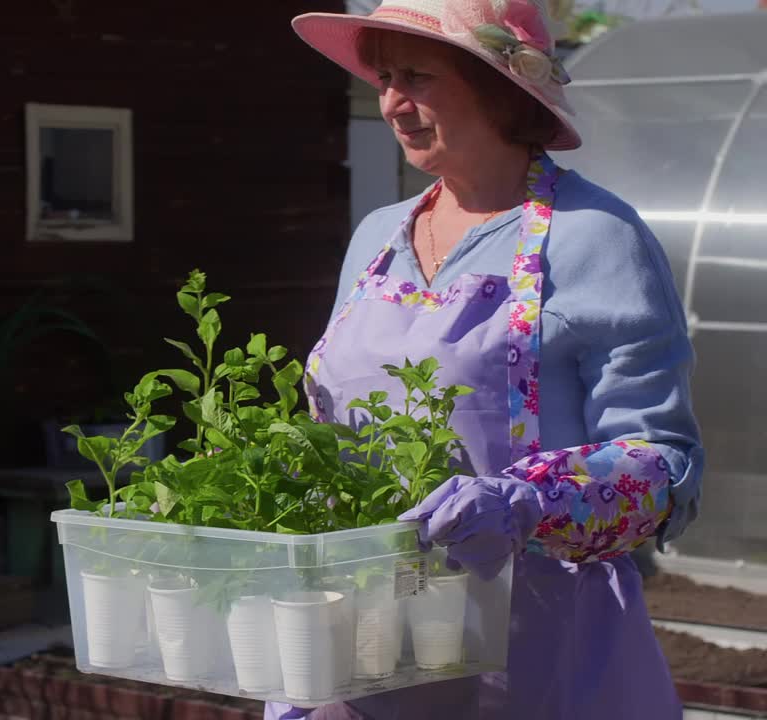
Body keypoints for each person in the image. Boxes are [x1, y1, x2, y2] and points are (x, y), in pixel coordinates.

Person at [269, 1, 705, 718]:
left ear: (496, 86)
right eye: (383, 77)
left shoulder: (594, 236)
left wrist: (526, 503)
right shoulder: (378, 236)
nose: (391, 102)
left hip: (532, 654)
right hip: (367, 641)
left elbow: (661, 467)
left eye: (417, 76)